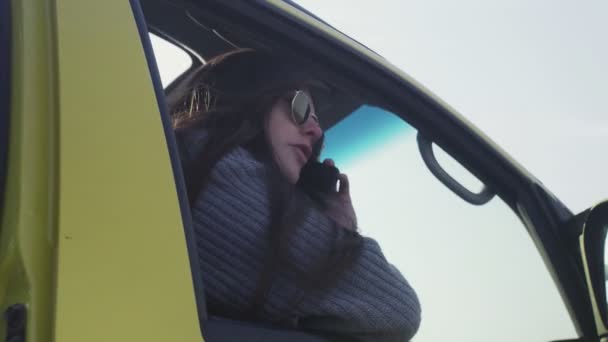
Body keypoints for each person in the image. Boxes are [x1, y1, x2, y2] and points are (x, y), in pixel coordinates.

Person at [171, 48, 421, 341]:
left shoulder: (193, 161)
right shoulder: (212, 167)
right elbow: (395, 309)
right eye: (300, 107)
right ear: (250, 93)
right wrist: (341, 230)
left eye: (318, 123)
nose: (316, 131)